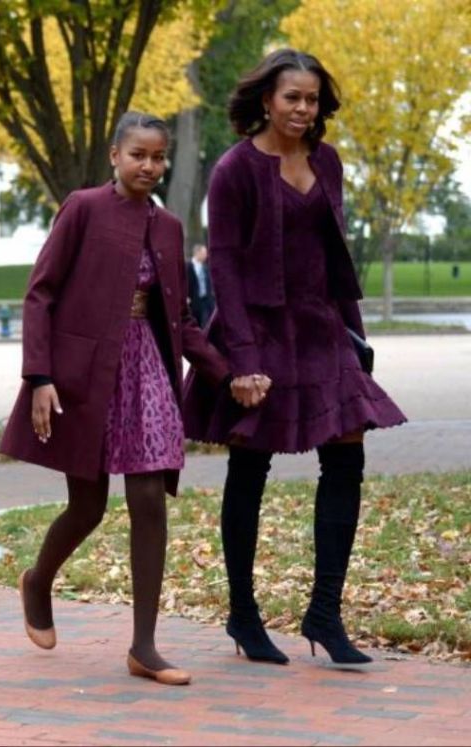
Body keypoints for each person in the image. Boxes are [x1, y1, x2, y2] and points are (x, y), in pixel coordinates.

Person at [0, 112, 241, 687]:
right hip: (85, 374)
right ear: (115, 155)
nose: (150, 167)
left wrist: (226, 375)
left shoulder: (169, 226)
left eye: (159, 157)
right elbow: (40, 295)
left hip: (147, 369)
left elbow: (180, 318)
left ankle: (144, 647)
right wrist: (39, 377)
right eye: (139, 155)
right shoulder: (83, 208)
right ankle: (38, 579)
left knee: (150, 498)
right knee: (87, 507)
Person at [182, 49, 406, 667]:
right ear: (266, 100)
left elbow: (337, 255)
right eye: (292, 98)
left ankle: (325, 613)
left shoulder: (327, 162)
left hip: (322, 325)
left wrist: (357, 341)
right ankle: (243, 613)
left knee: (348, 455)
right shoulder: (234, 169)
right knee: (250, 468)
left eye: (312, 99)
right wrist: (244, 362)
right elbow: (223, 264)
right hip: (257, 331)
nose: (303, 109)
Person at [186, 243, 215, 328]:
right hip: (194, 301)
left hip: (206, 301)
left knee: (206, 323)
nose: (206, 255)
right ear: (197, 253)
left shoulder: (206, 268)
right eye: (204, 253)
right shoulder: (188, 266)